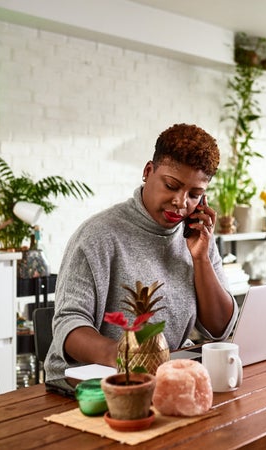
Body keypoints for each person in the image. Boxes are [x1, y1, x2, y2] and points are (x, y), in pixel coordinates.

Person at [44, 123, 238, 381]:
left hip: (158, 377)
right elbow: (68, 325)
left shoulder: (197, 236)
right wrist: (127, 357)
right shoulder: (98, 235)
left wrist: (201, 258)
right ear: (148, 171)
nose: (181, 202)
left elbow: (220, 329)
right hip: (86, 385)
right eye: (171, 186)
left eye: (194, 194)